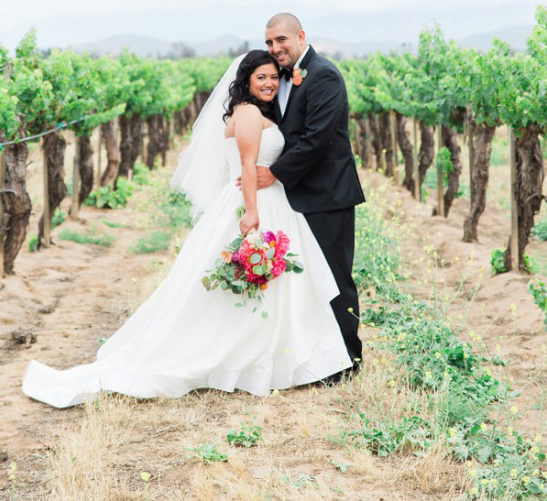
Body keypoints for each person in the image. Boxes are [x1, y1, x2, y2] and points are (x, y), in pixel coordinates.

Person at [22, 50, 351, 408]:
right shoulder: (249, 114)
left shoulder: (253, 112)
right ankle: (253, 358)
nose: (270, 83)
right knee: (259, 284)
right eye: (262, 78)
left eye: (274, 77)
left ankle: (271, 356)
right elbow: (245, 166)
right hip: (255, 203)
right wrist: (252, 215)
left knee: (275, 287)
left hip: (272, 200)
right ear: (246, 82)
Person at [259, 13, 365, 372]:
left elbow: (315, 139)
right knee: (307, 280)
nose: (275, 49)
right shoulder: (279, 79)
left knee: (335, 278)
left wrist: (273, 173)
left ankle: (349, 359)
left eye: (281, 40)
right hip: (295, 197)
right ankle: (317, 358)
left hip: (328, 196)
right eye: (269, 43)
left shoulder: (325, 75)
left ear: (300, 36)